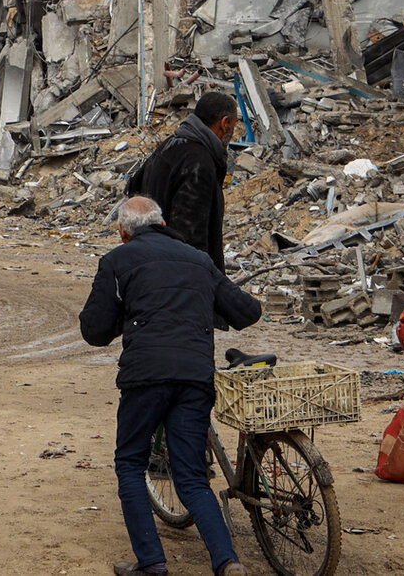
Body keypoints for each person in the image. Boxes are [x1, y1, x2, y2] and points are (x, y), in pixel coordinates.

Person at [77, 196, 261, 576]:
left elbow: (94, 330)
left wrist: (126, 318)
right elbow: (247, 311)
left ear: (122, 231)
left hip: (145, 377)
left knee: (130, 464)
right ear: (161, 223)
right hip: (195, 376)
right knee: (191, 475)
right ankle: (227, 562)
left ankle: (152, 563)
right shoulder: (198, 260)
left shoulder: (117, 260)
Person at [127, 92, 239, 269]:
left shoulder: (170, 145)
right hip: (176, 271)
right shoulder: (198, 162)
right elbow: (191, 233)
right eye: (234, 125)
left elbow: (133, 190)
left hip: (150, 261)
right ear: (225, 123)